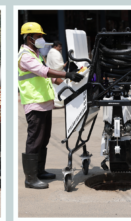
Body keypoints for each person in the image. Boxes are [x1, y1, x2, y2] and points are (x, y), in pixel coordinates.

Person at [18, 22, 84, 189]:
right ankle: (30, 178)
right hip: (35, 103)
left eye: (41, 36)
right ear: (29, 37)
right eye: (39, 36)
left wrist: (67, 81)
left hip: (45, 103)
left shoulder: (37, 53)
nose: (41, 39)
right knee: (34, 140)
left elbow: (49, 76)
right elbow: (44, 72)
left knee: (43, 139)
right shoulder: (25, 55)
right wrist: (67, 73)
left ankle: (39, 171)